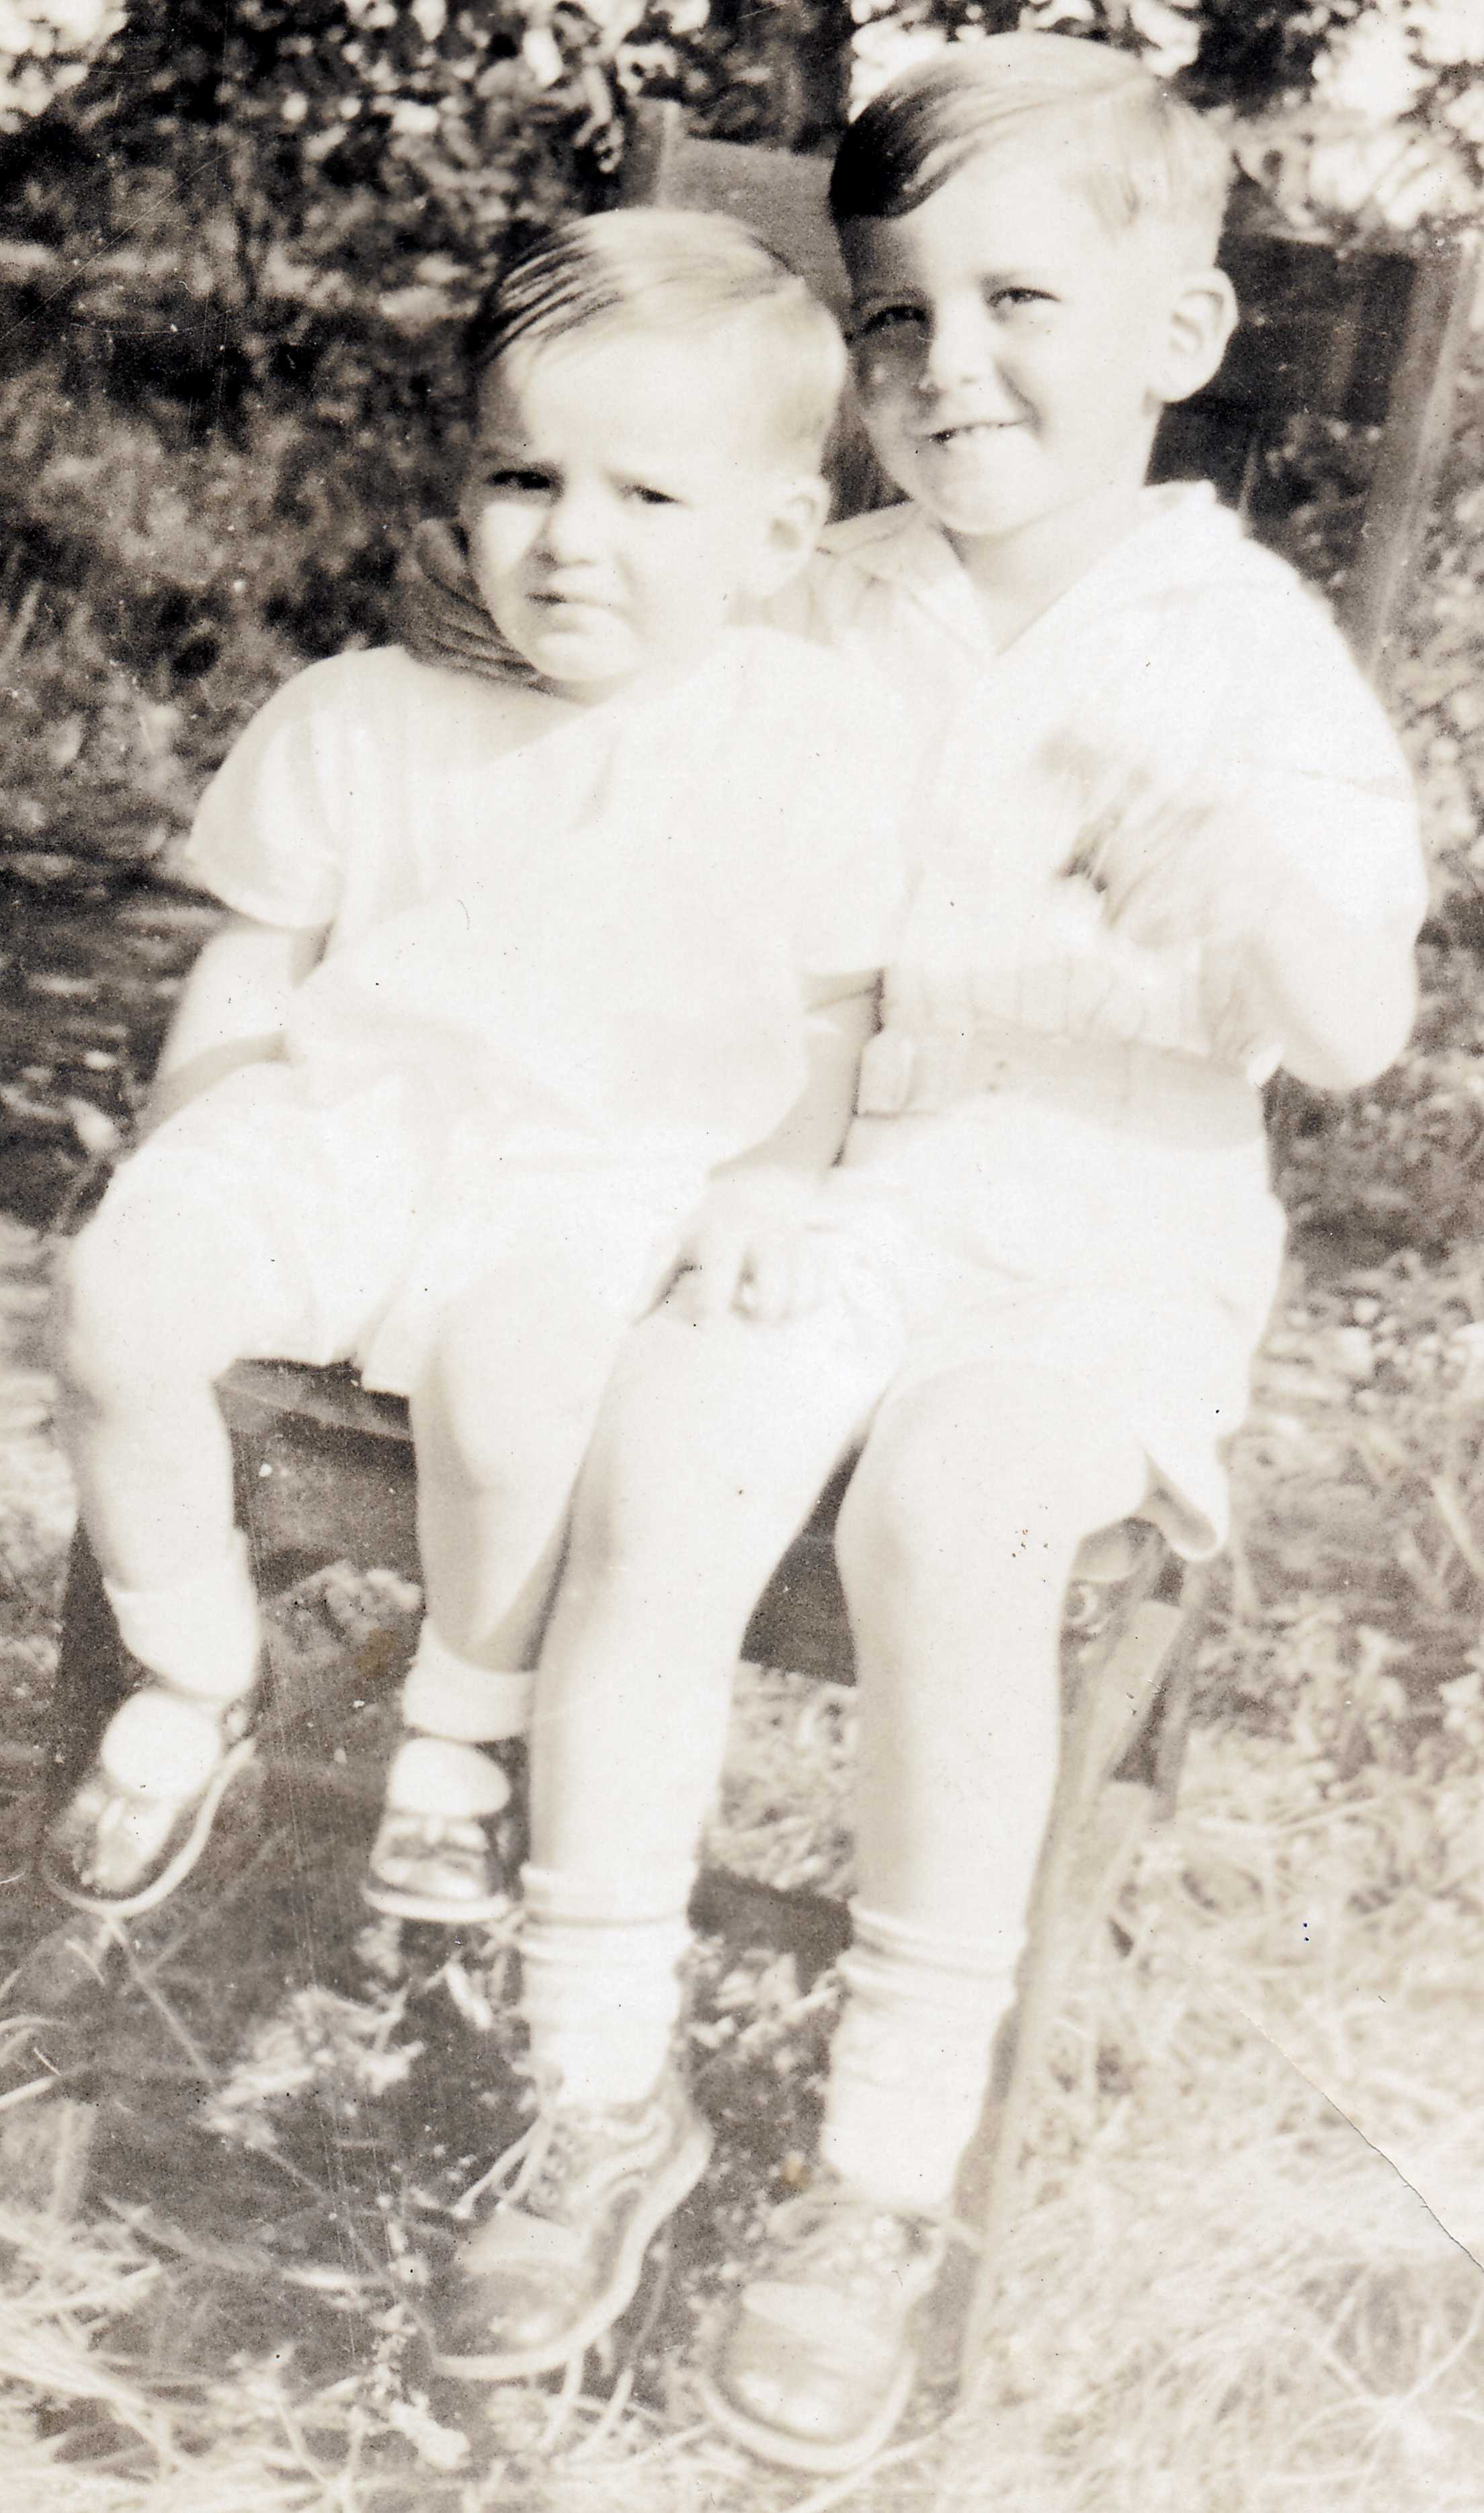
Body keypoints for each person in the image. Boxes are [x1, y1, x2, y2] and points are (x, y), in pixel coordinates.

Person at [403, 34, 1427, 2475]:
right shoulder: (811, 601)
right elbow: (612, 812)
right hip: (820, 1185)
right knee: (660, 1458)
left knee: (956, 1516)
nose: (945, 363)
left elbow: (1356, 1028)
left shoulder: (1235, 643)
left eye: (1016, 301)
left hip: (1103, 1225)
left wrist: (1249, 890)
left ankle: (873, 2178)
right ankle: (599, 2089)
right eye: (892, 315)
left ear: (1181, 332)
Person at [40, 207, 910, 1928]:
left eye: (646, 497)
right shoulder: (366, 710)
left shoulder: (806, 741)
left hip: (596, 1176)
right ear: (466, 490)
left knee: (520, 1391)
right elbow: (260, 951)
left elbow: (829, 1010)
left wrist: (768, 1179)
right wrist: (182, 1133)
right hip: (340, 1132)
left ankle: (463, 1718)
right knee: (114, 1299)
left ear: (778, 536)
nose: (570, 538)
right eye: (525, 479)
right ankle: (195, 1663)